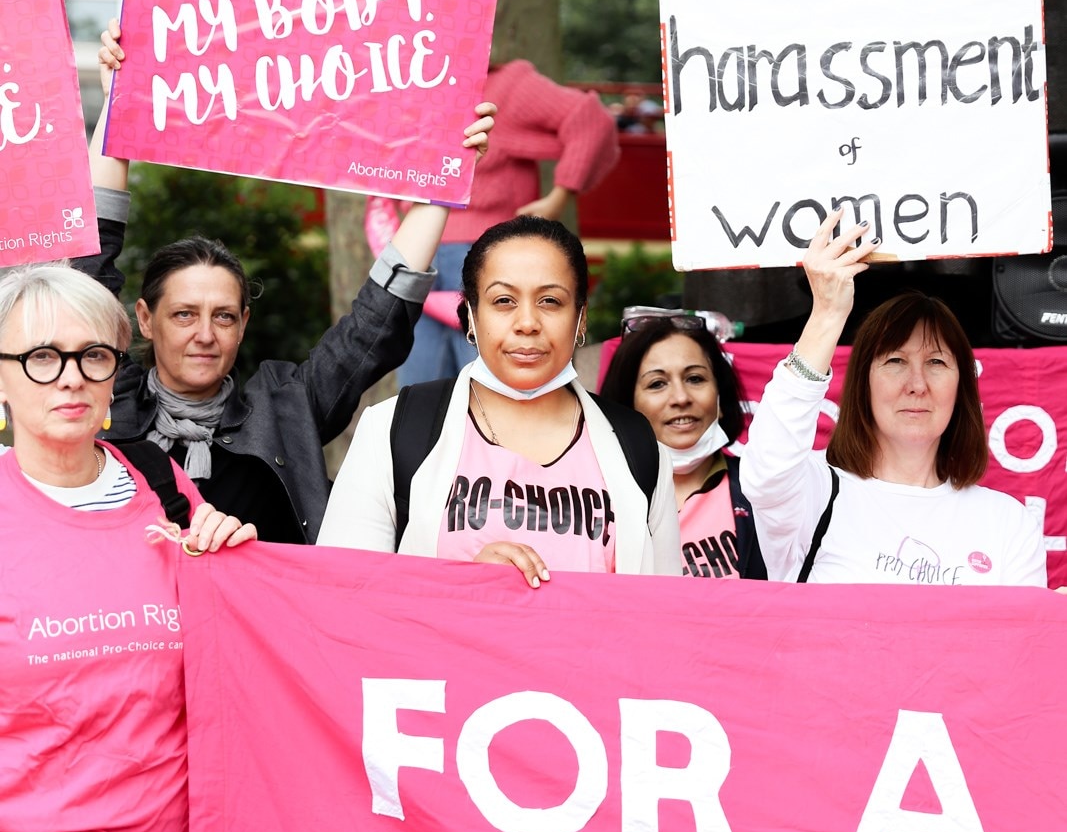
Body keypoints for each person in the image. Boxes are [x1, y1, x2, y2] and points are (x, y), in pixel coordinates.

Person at [0, 263, 254, 832]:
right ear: (1, 375)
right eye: (38, 356)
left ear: (118, 369)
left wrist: (240, 564)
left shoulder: (166, 489)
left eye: (90, 355)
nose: (67, 377)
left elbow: (254, 647)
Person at [89, 22, 494, 542]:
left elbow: (374, 324)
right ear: (144, 319)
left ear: (244, 324)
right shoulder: (103, 396)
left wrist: (444, 174)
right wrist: (119, 106)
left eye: (224, 316)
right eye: (184, 314)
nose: (205, 334)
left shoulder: (286, 410)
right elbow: (89, 268)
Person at [318, 216, 681, 578]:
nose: (527, 322)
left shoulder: (638, 447)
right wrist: (464, 587)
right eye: (504, 300)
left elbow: (666, 614)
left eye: (550, 301)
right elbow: (344, 595)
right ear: (472, 315)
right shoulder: (392, 429)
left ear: (581, 318)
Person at [739, 211, 1047, 586]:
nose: (917, 384)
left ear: (962, 387)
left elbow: (1014, 643)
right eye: (896, 361)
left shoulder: (1008, 524)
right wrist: (826, 315)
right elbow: (766, 470)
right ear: (862, 385)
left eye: (936, 362)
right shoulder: (812, 493)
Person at [391, 56, 619, 384]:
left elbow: (590, 120)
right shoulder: (405, 83)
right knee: (418, 395)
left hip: (487, 256)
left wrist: (560, 193)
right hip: (416, 255)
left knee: (496, 388)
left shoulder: (506, 85)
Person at [599, 309, 766, 581]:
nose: (680, 397)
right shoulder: (599, 500)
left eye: (695, 378)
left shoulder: (764, 492)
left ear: (721, 398)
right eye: (656, 384)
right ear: (626, 407)